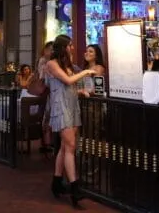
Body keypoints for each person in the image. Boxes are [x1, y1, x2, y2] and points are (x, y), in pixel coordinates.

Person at [45, 34, 95, 207]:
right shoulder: (51, 64)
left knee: (66, 147)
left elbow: (70, 85)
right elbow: (66, 80)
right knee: (70, 147)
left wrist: (81, 91)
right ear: (64, 47)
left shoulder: (68, 65)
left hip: (72, 106)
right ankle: (75, 189)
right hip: (62, 108)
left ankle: (57, 183)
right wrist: (85, 72)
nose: (73, 47)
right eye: (71, 45)